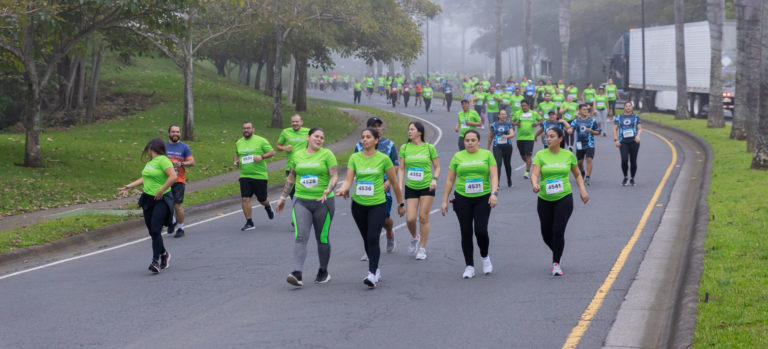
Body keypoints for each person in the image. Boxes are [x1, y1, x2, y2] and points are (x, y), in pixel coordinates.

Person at [336, 128, 405, 288]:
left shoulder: (383, 159)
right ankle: (376, 268)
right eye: (363, 137)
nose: (364, 140)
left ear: (376, 140)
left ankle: (372, 273)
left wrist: (400, 204)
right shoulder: (354, 158)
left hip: (377, 204)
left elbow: (394, 183)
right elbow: (348, 179)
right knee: (367, 238)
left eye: (368, 137)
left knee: (373, 237)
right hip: (359, 205)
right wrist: (343, 189)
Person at [276, 128, 338, 287]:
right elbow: (292, 177)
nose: (319, 140)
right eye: (316, 136)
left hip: (323, 201)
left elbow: (334, 175)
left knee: (322, 238)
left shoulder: (327, 154)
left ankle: (323, 271)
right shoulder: (297, 155)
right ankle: (297, 273)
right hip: (301, 200)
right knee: (300, 236)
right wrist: (283, 197)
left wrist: (329, 189)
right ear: (308, 137)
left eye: (322, 138)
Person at [530, 127, 589, 276]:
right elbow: (535, 174)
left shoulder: (568, 155)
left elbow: (577, 175)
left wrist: (582, 189)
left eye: (552, 136)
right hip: (544, 198)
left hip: (564, 197)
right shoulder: (540, 155)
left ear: (560, 139)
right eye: (547, 137)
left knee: (558, 230)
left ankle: (556, 262)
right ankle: (557, 251)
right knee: (545, 233)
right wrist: (535, 184)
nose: (548, 139)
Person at [441, 130, 499, 279]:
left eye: (473, 140)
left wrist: (494, 193)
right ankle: (469, 266)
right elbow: (449, 180)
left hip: (483, 198)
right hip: (462, 199)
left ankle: (485, 257)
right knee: (465, 231)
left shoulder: (487, 155)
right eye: (467, 140)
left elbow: (493, 175)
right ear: (464, 142)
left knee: (480, 230)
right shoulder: (458, 157)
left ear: (478, 141)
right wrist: (444, 201)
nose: (470, 142)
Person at [119, 138, 176, 273]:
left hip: (161, 199)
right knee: (152, 231)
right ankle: (164, 254)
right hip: (148, 198)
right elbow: (145, 178)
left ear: (152, 148)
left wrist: (161, 190)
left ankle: (155, 262)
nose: (147, 152)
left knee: (156, 230)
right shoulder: (151, 162)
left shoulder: (163, 160)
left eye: (148, 149)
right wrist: (130, 186)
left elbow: (172, 176)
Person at [356, 117, 399, 258]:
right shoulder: (359, 145)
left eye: (379, 126)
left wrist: (388, 183)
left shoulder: (389, 145)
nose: (377, 128)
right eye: (373, 126)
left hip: (383, 187)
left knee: (384, 220)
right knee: (367, 220)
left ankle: (390, 232)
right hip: (365, 188)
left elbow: (395, 165)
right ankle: (369, 249)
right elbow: (354, 166)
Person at [398, 122, 440, 260]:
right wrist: (399, 184)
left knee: (423, 217)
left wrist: (434, 179)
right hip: (411, 186)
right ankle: (415, 237)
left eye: (412, 129)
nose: (409, 131)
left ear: (419, 132)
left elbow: (437, 167)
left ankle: (422, 248)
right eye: (408, 129)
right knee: (410, 218)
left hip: (427, 186)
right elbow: (402, 168)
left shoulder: (429, 148)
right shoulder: (404, 148)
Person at [234, 121, 275, 231]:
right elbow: (237, 154)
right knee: (245, 198)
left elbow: (272, 152)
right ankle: (249, 222)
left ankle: (267, 206)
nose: (246, 130)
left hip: (259, 175)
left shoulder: (260, 140)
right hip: (245, 175)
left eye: (248, 128)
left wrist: (261, 156)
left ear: (253, 129)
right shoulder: (239, 142)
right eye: (244, 128)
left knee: (262, 199)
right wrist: (236, 162)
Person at [165, 124, 194, 238]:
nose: (176, 134)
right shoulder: (163, 146)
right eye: (173, 132)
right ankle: (172, 221)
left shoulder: (184, 147)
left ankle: (180, 228)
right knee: (166, 205)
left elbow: (192, 162)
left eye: (177, 132)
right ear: (169, 133)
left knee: (177, 205)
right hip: (165, 180)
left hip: (178, 180)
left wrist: (181, 163)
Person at [276, 115, 309, 202]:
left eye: (297, 122)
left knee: (305, 191)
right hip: (290, 167)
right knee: (293, 193)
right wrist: (285, 148)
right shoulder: (285, 132)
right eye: (293, 122)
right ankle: (298, 211)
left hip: (304, 167)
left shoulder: (308, 132)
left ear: (301, 122)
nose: (295, 123)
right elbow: (278, 146)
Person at [567, 104, 601, 185]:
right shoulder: (576, 121)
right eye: (584, 109)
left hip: (590, 144)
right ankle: (582, 172)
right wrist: (570, 130)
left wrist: (591, 131)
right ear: (579, 111)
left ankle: (588, 177)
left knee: (589, 159)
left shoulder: (592, 121)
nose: (586, 111)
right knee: (579, 162)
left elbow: (598, 132)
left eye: (587, 109)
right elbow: (571, 128)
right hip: (579, 144)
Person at [510, 100, 542, 179]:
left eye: (525, 105)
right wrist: (516, 124)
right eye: (522, 106)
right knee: (523, 156)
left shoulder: (533, 113)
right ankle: (530, 163)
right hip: (520, 138)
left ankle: (527, 172)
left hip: (529, 138)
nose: (523, 107)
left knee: (528, 155)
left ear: (528, 106)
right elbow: (511, 121)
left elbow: (541, 120)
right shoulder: (518, 113)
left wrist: (536, 124)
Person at [613, 102, 642, 186]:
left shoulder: (636, 117)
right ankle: (625, 177)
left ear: (632, 108)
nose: (628, 108)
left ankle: (632, 178)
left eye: (630, 106)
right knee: (624, 160)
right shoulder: (619, 117)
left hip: (634, 142)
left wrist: (638, 136)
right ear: (624, 108)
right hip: (623, 142)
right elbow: (615, 129)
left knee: (633, 160)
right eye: (626, 106)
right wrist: (616, 140)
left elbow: (639, 128)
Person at [488, 110, 515, 188]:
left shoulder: (508, 124)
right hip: (497, 146)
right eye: (502, 114)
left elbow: (512, 134)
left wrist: (507, 136)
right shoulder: (494, 125)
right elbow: (490, 137)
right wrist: (487, 149)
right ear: (498, 115)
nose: (504, 116)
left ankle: (509, 181)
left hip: (507, 146)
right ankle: (497, 183)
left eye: (505, 114)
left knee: (507, 164)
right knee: (498, 164)